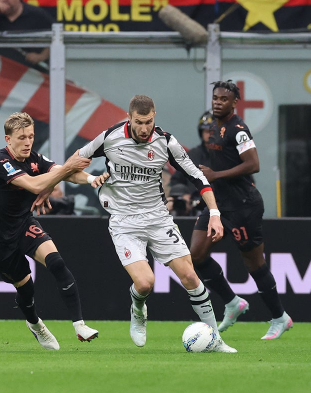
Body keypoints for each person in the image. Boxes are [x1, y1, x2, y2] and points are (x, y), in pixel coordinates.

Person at [75, 95, 236, 352]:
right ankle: (138, 310)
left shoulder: (166, 142)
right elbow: (73, 165)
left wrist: (214, 213)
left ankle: (215, 340)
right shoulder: (110, 137)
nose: (144, 128)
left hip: (158, 218)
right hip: (124, 221)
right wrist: (84, 179)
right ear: (129, 118)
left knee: (190, 276)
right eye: (138, 122)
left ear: (154, 117)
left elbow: (197, 177)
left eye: (148, 122)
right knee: (145, 283)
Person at [0, 112, 103, 350]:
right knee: (26, 288)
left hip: (24, 223)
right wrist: (64, 170)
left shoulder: (34, 158)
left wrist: (92, 179)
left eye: (31, 136)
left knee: (56, 262)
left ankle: (80, 325)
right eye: (22, 137)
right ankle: (35, 324)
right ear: (8, 139)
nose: (28, 142)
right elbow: (35, 185)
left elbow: (65, 172)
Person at [189, 80, 293, 340]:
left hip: (243, 206)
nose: (218, 102)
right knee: (196, 255)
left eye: (224, 99)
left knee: (254, 263)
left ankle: (280, 317)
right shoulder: (213, 126)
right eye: (215, 98)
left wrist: (215, 175)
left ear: (234, 102)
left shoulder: (239, 130)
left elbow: (253, 164)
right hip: (218, 204)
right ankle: (233, 302)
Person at [168, 110, 215, 217]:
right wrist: (183, 195)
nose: (209, 135)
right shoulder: (192, 156)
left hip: (222, 208)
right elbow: (176, 180)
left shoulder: (228, 157)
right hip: (193, 209)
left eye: (212, 131)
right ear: (201, 132)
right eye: (206, 131)